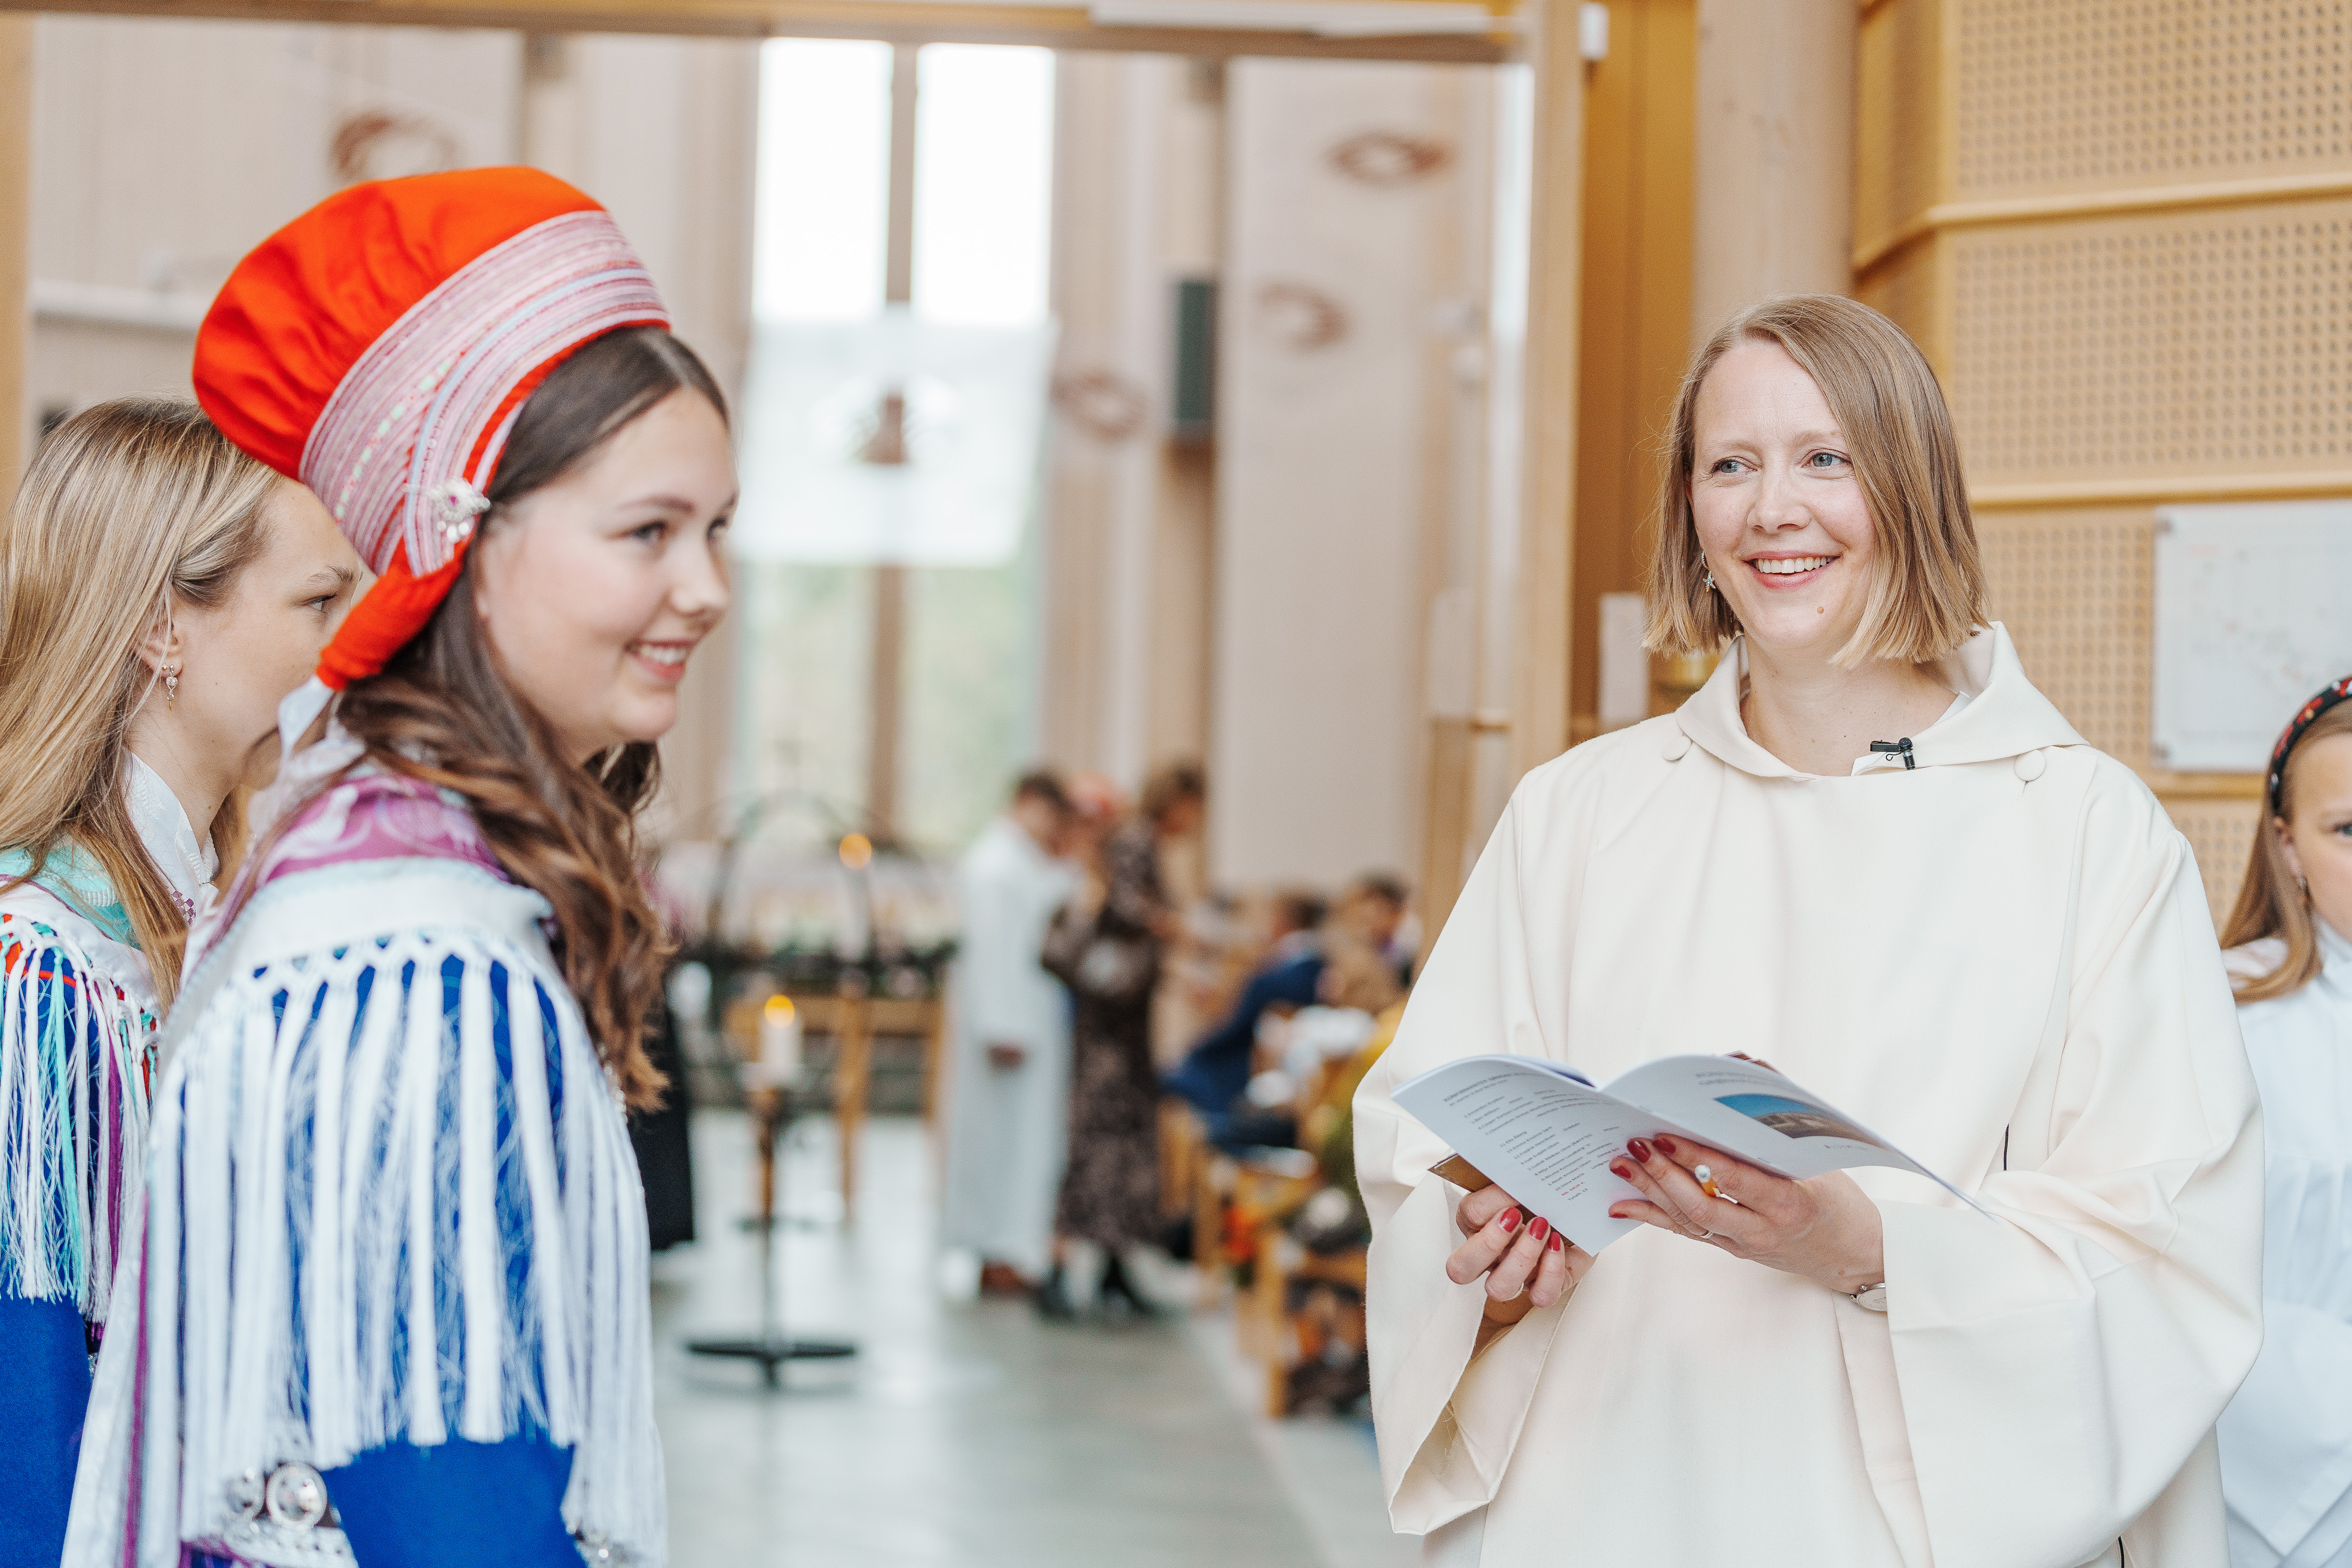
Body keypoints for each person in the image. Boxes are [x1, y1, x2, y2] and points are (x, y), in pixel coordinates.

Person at [1356, 295, 2261, 1566]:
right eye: (1730, 464)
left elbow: (2162, 1239)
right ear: (1690, 508)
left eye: (1823, 458)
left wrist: (1868, 1245)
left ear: (1910, 486)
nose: (1770, 509)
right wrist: (1485, 1252)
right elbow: (1421, 1139)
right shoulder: (1578, 810)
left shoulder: (2076, 826)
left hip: (1901, 1516)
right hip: (1598, 1490)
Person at [64, 168, 730, 1568]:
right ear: (464, 540)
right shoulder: (415, 950)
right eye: (646, 532)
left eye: (713, 528)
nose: (705, 588)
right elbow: (444, 1484)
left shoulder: (399, 868)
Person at [0, 400, 360, 1558]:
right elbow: (31, 1424)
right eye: (318, 603)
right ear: (165, 624)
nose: (350, 649)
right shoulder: (45, 976)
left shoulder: (211, 917)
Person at [2216, 678, 2352, 1568]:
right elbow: (2174, 1287)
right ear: (2287, 847)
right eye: (2349, 831)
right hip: (2279, 1502)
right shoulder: (2216, 1015)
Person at [1036, 762, 1204, 1318]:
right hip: (1109, 1027)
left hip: (1123, 1025)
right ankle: (1061, 1267)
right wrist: (1177, 928)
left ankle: (1114, 1266)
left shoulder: (1132, 845)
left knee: (1127, 1145)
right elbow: (1128, 916)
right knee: (1097, 1143)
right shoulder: (1132, 845)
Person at [939, 769, 1079, 1295]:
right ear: (1025, 802)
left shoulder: (1023, 860)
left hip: (1032, 1017)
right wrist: (1002, 1024)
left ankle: (1013, 1248)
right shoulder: (994, 864)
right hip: (1007, 1027)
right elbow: (992, 951)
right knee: (1001, 1144)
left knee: (1024, 1144)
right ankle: (998, 1251)